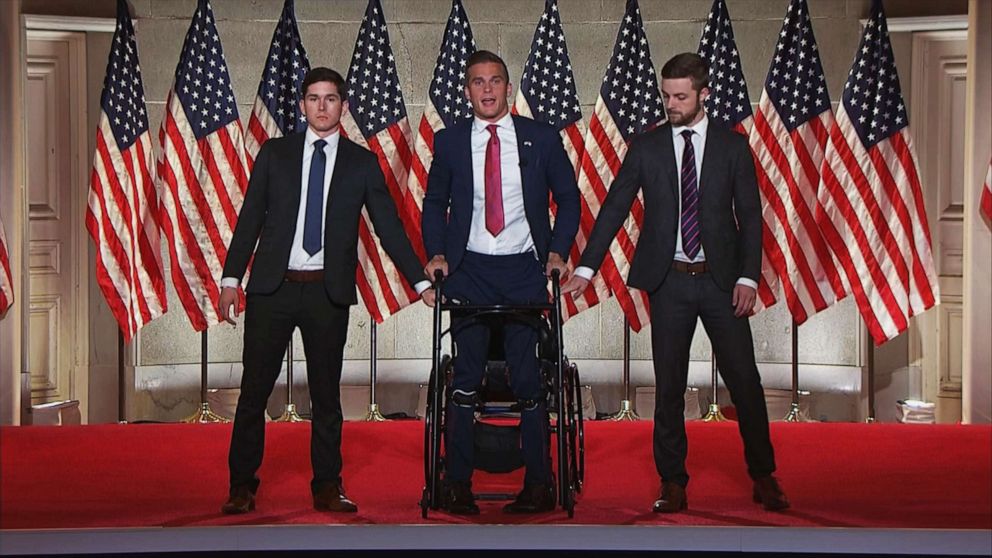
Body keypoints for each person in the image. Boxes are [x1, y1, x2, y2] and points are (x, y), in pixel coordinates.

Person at [563, 53, 789, 513]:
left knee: (744, 381)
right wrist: (586, 268)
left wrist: (749, 276)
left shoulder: (732, 146)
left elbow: (749, 216)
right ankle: (672, 481)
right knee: (668, 386)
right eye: (666, 95)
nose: (671, 103)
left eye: (681, 96)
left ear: (704, 94)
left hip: (723, 283)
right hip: (669, 284)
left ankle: (764, 475)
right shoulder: (647, 147)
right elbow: (613, 208)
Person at [218, 67, 428, 515]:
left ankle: (328, 486)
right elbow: (250, 218)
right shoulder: (275, 155)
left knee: (326, 395)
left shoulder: (361, 162)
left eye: (330, 98)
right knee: (254, 392)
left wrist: (422, 280)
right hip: (272, 291)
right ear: (301, 105)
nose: (321, 106)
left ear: (343, 106)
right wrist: (231, 280)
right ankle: (241, 486)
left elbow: (389, 227)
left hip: (325, 295)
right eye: (313, 98)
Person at [421, 50, 580, 515]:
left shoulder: (541, 138)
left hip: (524, 269)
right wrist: (437, 255)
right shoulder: (449, 142)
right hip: (470, 269)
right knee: (465, 380)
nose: (486, 90)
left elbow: (568, 200)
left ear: (508, 88)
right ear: (466, 90)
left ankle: (539, 483)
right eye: (477, 82)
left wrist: (558, 251)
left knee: (528, 379)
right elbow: (435, 204)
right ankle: (457, 484)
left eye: (494, 81)